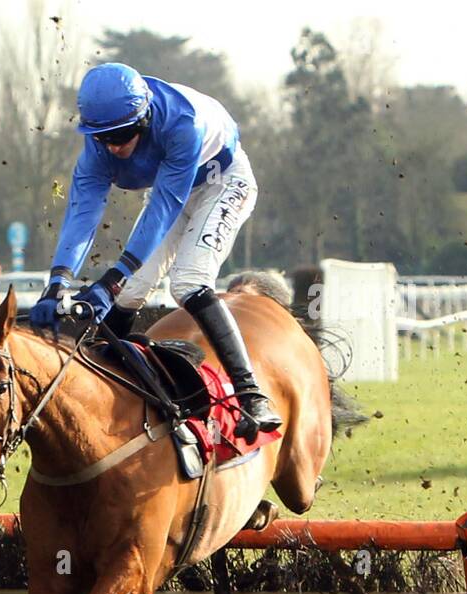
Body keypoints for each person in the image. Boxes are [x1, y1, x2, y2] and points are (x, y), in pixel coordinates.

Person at [29, 63, 281, 441]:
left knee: (188, 282)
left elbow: (165, 207)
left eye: (123, 134)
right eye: (103, 136)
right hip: (173, 190)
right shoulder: (98, 145)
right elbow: (82, 215)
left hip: (222, 183)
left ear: (144, 119)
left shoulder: (182, 125)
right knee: (131, 293)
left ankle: (252, 394)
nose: (113, 145)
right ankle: (110, 390)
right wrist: (56, 282)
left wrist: (109, 282)